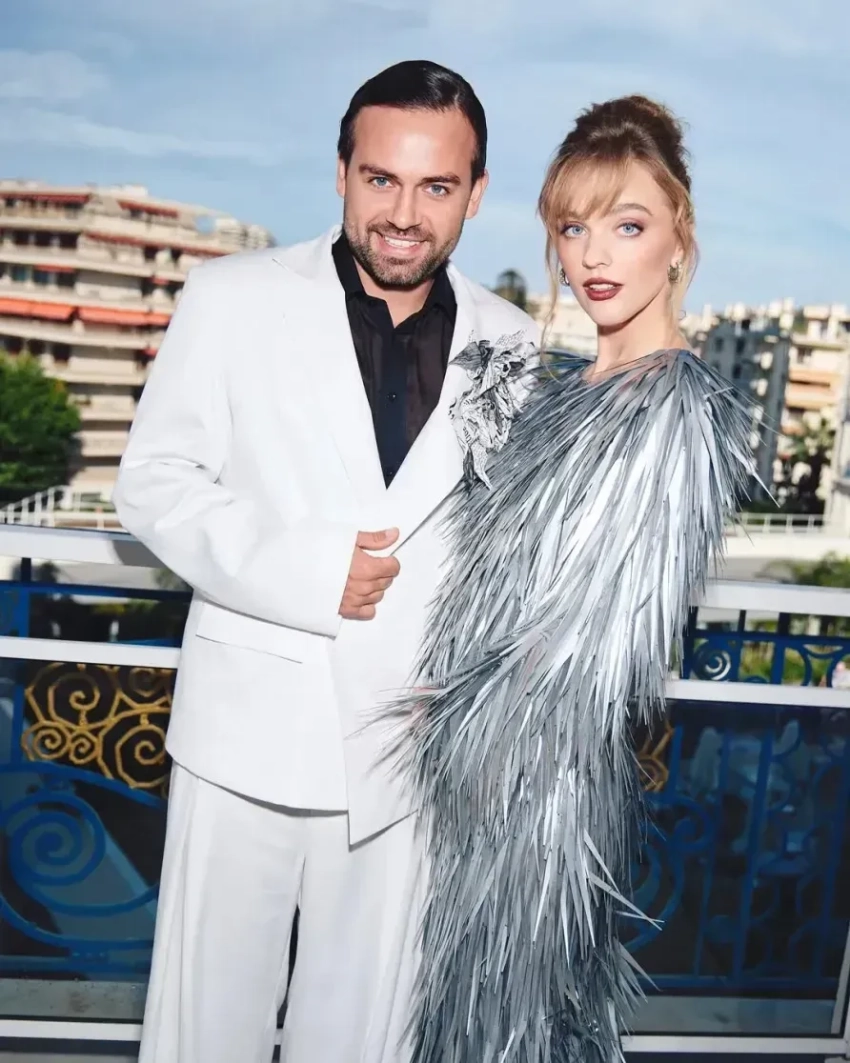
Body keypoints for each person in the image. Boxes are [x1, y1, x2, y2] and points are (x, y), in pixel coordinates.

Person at [112, 60, 539, 1063]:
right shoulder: (230, 296)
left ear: (476, 194)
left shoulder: (514, 341)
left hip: (409, 749)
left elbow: (502, 542)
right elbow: (155, 482)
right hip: (245, 736)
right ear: (341, 172)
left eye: (436, 186)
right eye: (380, 178)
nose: (404, 214)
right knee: (204, 1029)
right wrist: (310, 574)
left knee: (363, 1039)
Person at [395, 96, 756, 1062]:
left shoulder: (674, 410)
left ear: (678, 238)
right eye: (572, 228)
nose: (594, 256)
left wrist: (460, 715)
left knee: (509, 1025)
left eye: (627, 226)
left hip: (542, 783)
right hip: (481, 769)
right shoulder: (563, 393)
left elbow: (597, 645)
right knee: (473, 1016)